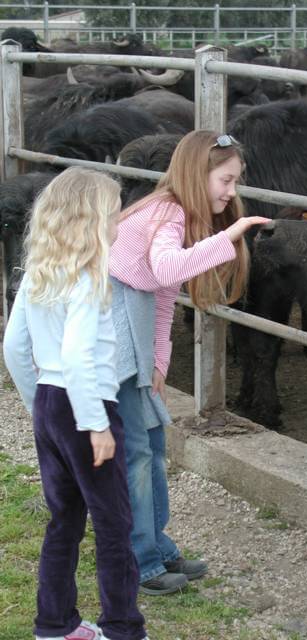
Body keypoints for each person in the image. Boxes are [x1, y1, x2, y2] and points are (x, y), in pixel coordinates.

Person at [109, 129, 270, 595]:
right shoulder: (169, 211)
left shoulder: (171, 212)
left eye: (236, 181)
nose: (231, 191)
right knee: (138, 454)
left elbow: (162, 298)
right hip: (114, 334)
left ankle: (155, 547)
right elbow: (167, 270)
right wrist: (233, 235)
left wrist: (159, 360)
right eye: (226, 179)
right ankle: (140, 562)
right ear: (197, 174)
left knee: (153, 443)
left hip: (132, 329)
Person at [3, 167, 148, 640]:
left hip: (49, 399)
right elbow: (79, 354)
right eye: (112, 214)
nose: (117, 224)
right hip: (86, 407)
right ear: (90, 219)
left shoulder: (38, 274)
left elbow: (13, 347)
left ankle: (54, 623)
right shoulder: (89, 278)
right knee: (113, 522)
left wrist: (39, 405)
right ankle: (123, 627)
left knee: (64, 518)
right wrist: (95, 424)